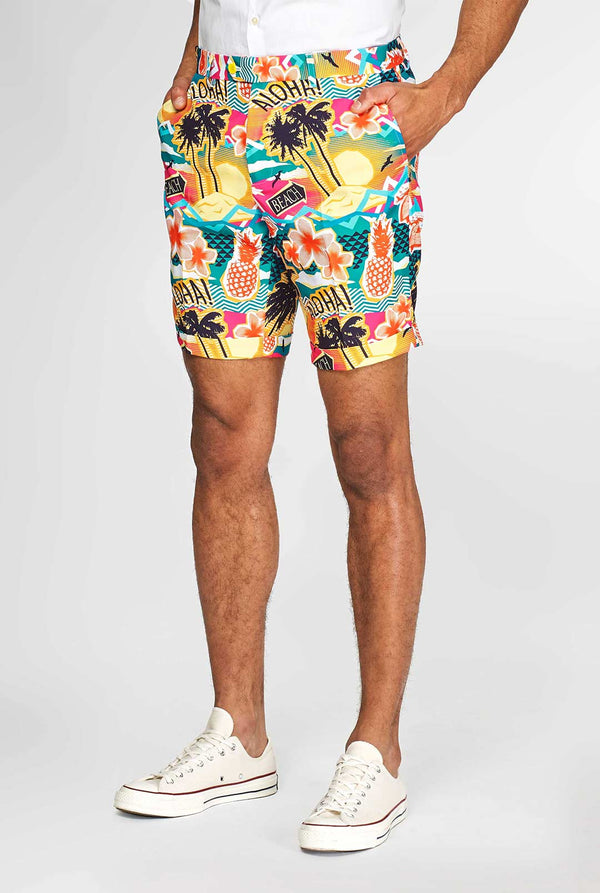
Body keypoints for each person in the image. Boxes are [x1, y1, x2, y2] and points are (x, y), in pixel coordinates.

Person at [114, 0, 528, 852]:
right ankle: (238, 735)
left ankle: (377, 748)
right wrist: (194, 56)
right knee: (222, 432)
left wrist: (448, 90)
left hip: (348, 107)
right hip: (218, 114)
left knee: (367, 446)